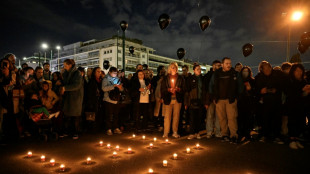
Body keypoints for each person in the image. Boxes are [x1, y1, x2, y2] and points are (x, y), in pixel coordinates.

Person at [209, 57, 244, 143]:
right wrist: (213, 97)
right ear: (222, 64)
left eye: (230, 63)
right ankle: (224, 135)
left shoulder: (235, 73)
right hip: (219, 100)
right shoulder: (216, 74)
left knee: (232, 118)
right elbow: (211, 85)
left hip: (231, 100)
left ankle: (234, 135)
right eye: (227, 63)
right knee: (222, 119)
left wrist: (237, 97)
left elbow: (240, 86)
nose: (229, 65)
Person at [255, 61, 285, 144]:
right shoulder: (259, 77)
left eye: (268, 68)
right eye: (265, 69)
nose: (267, 70)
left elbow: (282, 85)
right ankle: (264, 135)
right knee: (265, 119)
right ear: (262, 70)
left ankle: (277, 136)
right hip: (265, 103)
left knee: (277, 119)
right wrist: (260, 91)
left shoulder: (277, 75)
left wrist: (276, 89)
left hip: (276, 102)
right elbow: (256, 90)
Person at [285, 64, 310, 149]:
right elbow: (290, 94)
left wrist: (307, 91)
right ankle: (291, 140)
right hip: (292, 106)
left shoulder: (304, 82)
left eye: (300, 70)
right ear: (293, 71)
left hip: (301, 107)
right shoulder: (290, 81)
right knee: (292, 122)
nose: (299, 72)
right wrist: (301, 90)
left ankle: (296, 140)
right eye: (297, 70)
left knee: (300, 123)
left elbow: (303, 95)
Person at [61, 59, 84, 139]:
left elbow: (77, 85)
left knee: (75, 116)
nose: (64, 67)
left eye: (65, 65)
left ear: (70, 65)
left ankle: (76, 132)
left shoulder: (77, 73)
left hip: (75, 97)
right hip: (68, 97)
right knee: (67, 115)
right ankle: (67, 131)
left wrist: (65, 88)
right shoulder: (66, 73)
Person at [161, 62, 185, 138]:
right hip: (168, 99)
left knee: (176, 116)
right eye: (171, 67)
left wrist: (178, 89)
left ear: (177, 68)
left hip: (177, 99)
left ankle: (175, 131)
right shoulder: (165, 78)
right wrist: (168, 90)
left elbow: (184, 89)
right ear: (169, 69)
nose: (173, 68)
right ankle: (166, 132)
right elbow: (162, 89)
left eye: (174, 67)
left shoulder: (180, 78)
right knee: (167, 116)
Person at [185, 64, 204, 139]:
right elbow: (187, 91)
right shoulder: (190, 78)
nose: (199, 70)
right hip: (192, 101)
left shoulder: (202, 78)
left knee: (199, 118)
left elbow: (204, 90)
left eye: (200, 69)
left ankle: (197, 132)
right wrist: (186, 102)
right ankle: (192, 133)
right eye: (197, 69)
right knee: (192, 118)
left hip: (200, 100)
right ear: (194, 70)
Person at [102, 67, 123, 135]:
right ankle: (108, 128)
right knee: (108, 115)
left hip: (116, 100)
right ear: (110, 72)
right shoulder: (105, 79)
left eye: (116, 73)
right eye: (114, 73)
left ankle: (115, 128)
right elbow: (104, 88)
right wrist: (113, 86)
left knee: (116, 115)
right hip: (108, 99)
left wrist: (120, 88)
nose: (115, 74)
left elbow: (121, 89)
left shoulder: (117, 79)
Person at [238, 66, 256, 141]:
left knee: (248, 119)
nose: (245, 73)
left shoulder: (252, 80)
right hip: (241, 101)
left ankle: (247, 134)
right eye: (244, 71)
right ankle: (240, 134)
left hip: (249, 102)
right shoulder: (239, 80)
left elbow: (255, 91)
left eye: (247, 71)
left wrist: (250, 89)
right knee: (240, 118)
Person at [204, 60, 221, 138]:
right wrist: (206, 101)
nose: (219, 67)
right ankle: (209, 132)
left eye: (219, 65)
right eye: (217, 65)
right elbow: (206, 88)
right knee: (210, 116)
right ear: (213, 65)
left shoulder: (220, 74)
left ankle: (217, 132)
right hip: (210, 99)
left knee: (218, 116)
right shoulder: (208, 75)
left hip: (218, 98)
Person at [85, 67, 104, 132]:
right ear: (94, 73)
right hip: (94, 101)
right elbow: (90, 93)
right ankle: (92, 128)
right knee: (93, 115)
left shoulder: (101, 80)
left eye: (100, 71)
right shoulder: (92, 81)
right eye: (97, 71)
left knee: (99, 114)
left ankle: (98, 127)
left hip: (99, 100)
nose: (99, 73)